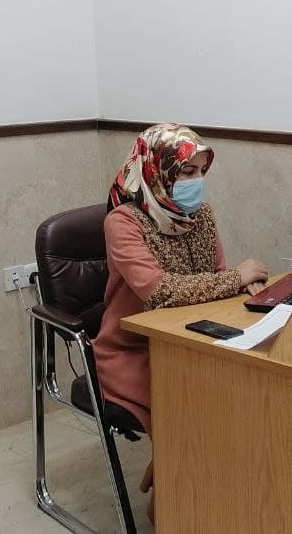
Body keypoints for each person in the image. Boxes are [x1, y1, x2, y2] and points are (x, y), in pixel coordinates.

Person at [94, 123, 268, 434]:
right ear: (156, 171)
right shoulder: (122, 223)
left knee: (248, 388)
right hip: (137, 348)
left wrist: (244, 285)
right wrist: (235, 278)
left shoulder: (201, 215)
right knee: (196, 406)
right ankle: (180, 464)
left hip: (194, 336)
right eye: (187, 172)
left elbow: (216, 276)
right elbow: (159, 291)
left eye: (201, 171)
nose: (197, 181)